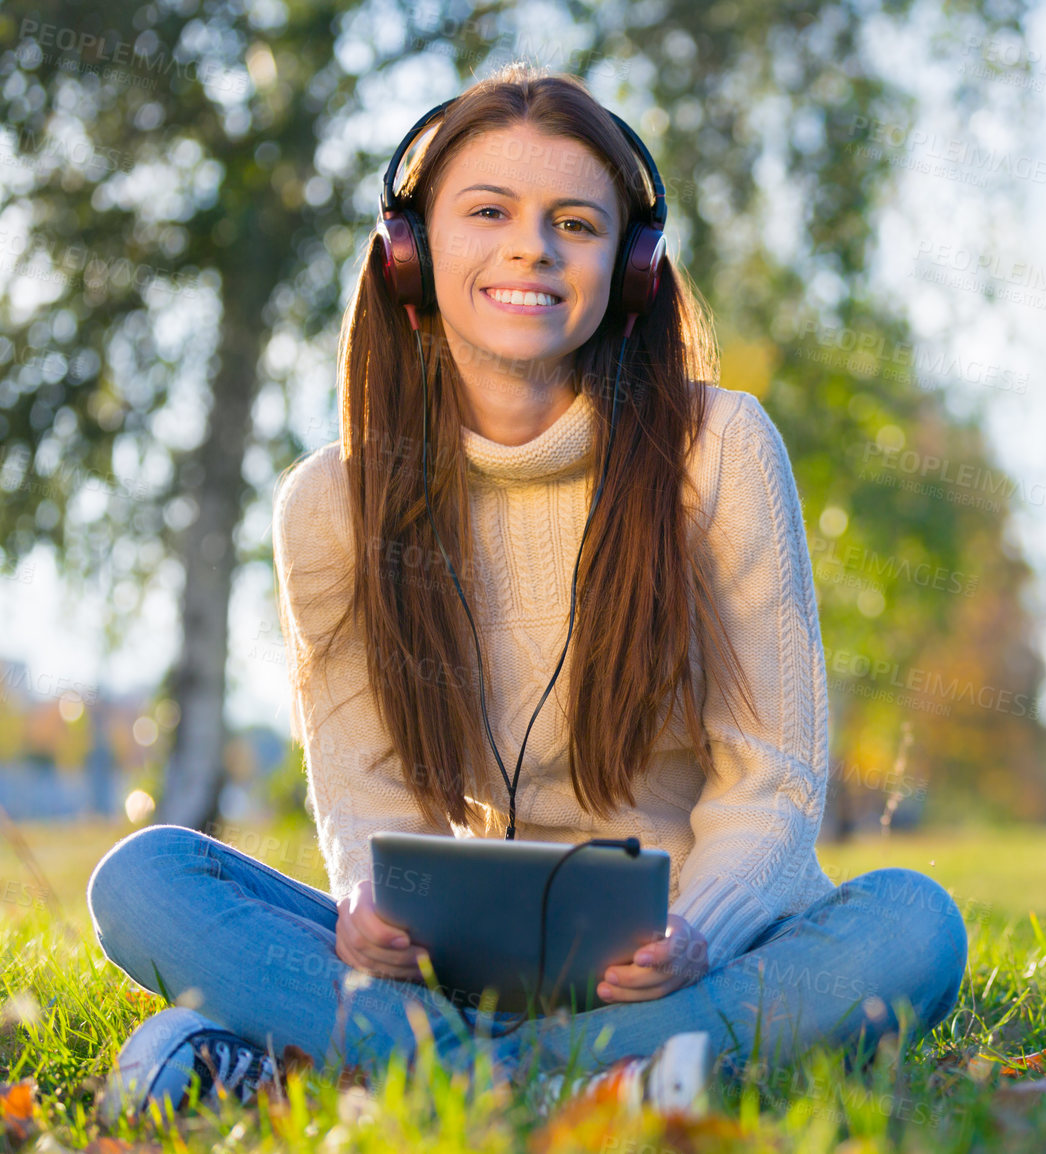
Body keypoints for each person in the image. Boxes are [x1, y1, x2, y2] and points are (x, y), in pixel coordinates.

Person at [85, 62, 967, 1123]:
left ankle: (393, 1069)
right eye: (489, 211)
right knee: (144, 878)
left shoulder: (719, 451)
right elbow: (365, 792)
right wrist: (369, 905)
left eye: (576, 223)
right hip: (454, 965)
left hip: (684, 957)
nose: (530, 248)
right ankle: (576, 1079)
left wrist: (696, 933)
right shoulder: (329, 504)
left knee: (914, 925)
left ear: (631, 266)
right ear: (410, 254)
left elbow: (771, 778)